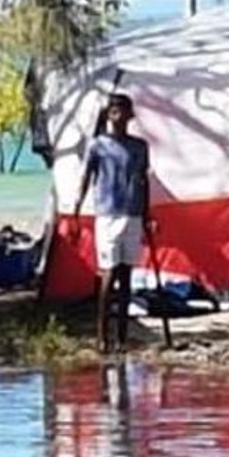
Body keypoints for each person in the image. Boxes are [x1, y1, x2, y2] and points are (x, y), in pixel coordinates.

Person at [71, 93, 152, 354]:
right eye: (113, 109)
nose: (117, 114)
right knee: (109, 272)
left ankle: (122, 336)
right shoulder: (98, 145)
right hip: (107, 214)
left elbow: (144, 180)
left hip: (133, 214)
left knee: (127, 274)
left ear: (130, 115)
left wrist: (148, 215)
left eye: (122, 109)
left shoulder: (140, 146)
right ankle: (101, 335)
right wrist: (75, 209)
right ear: (107, 114)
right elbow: (86, 177)